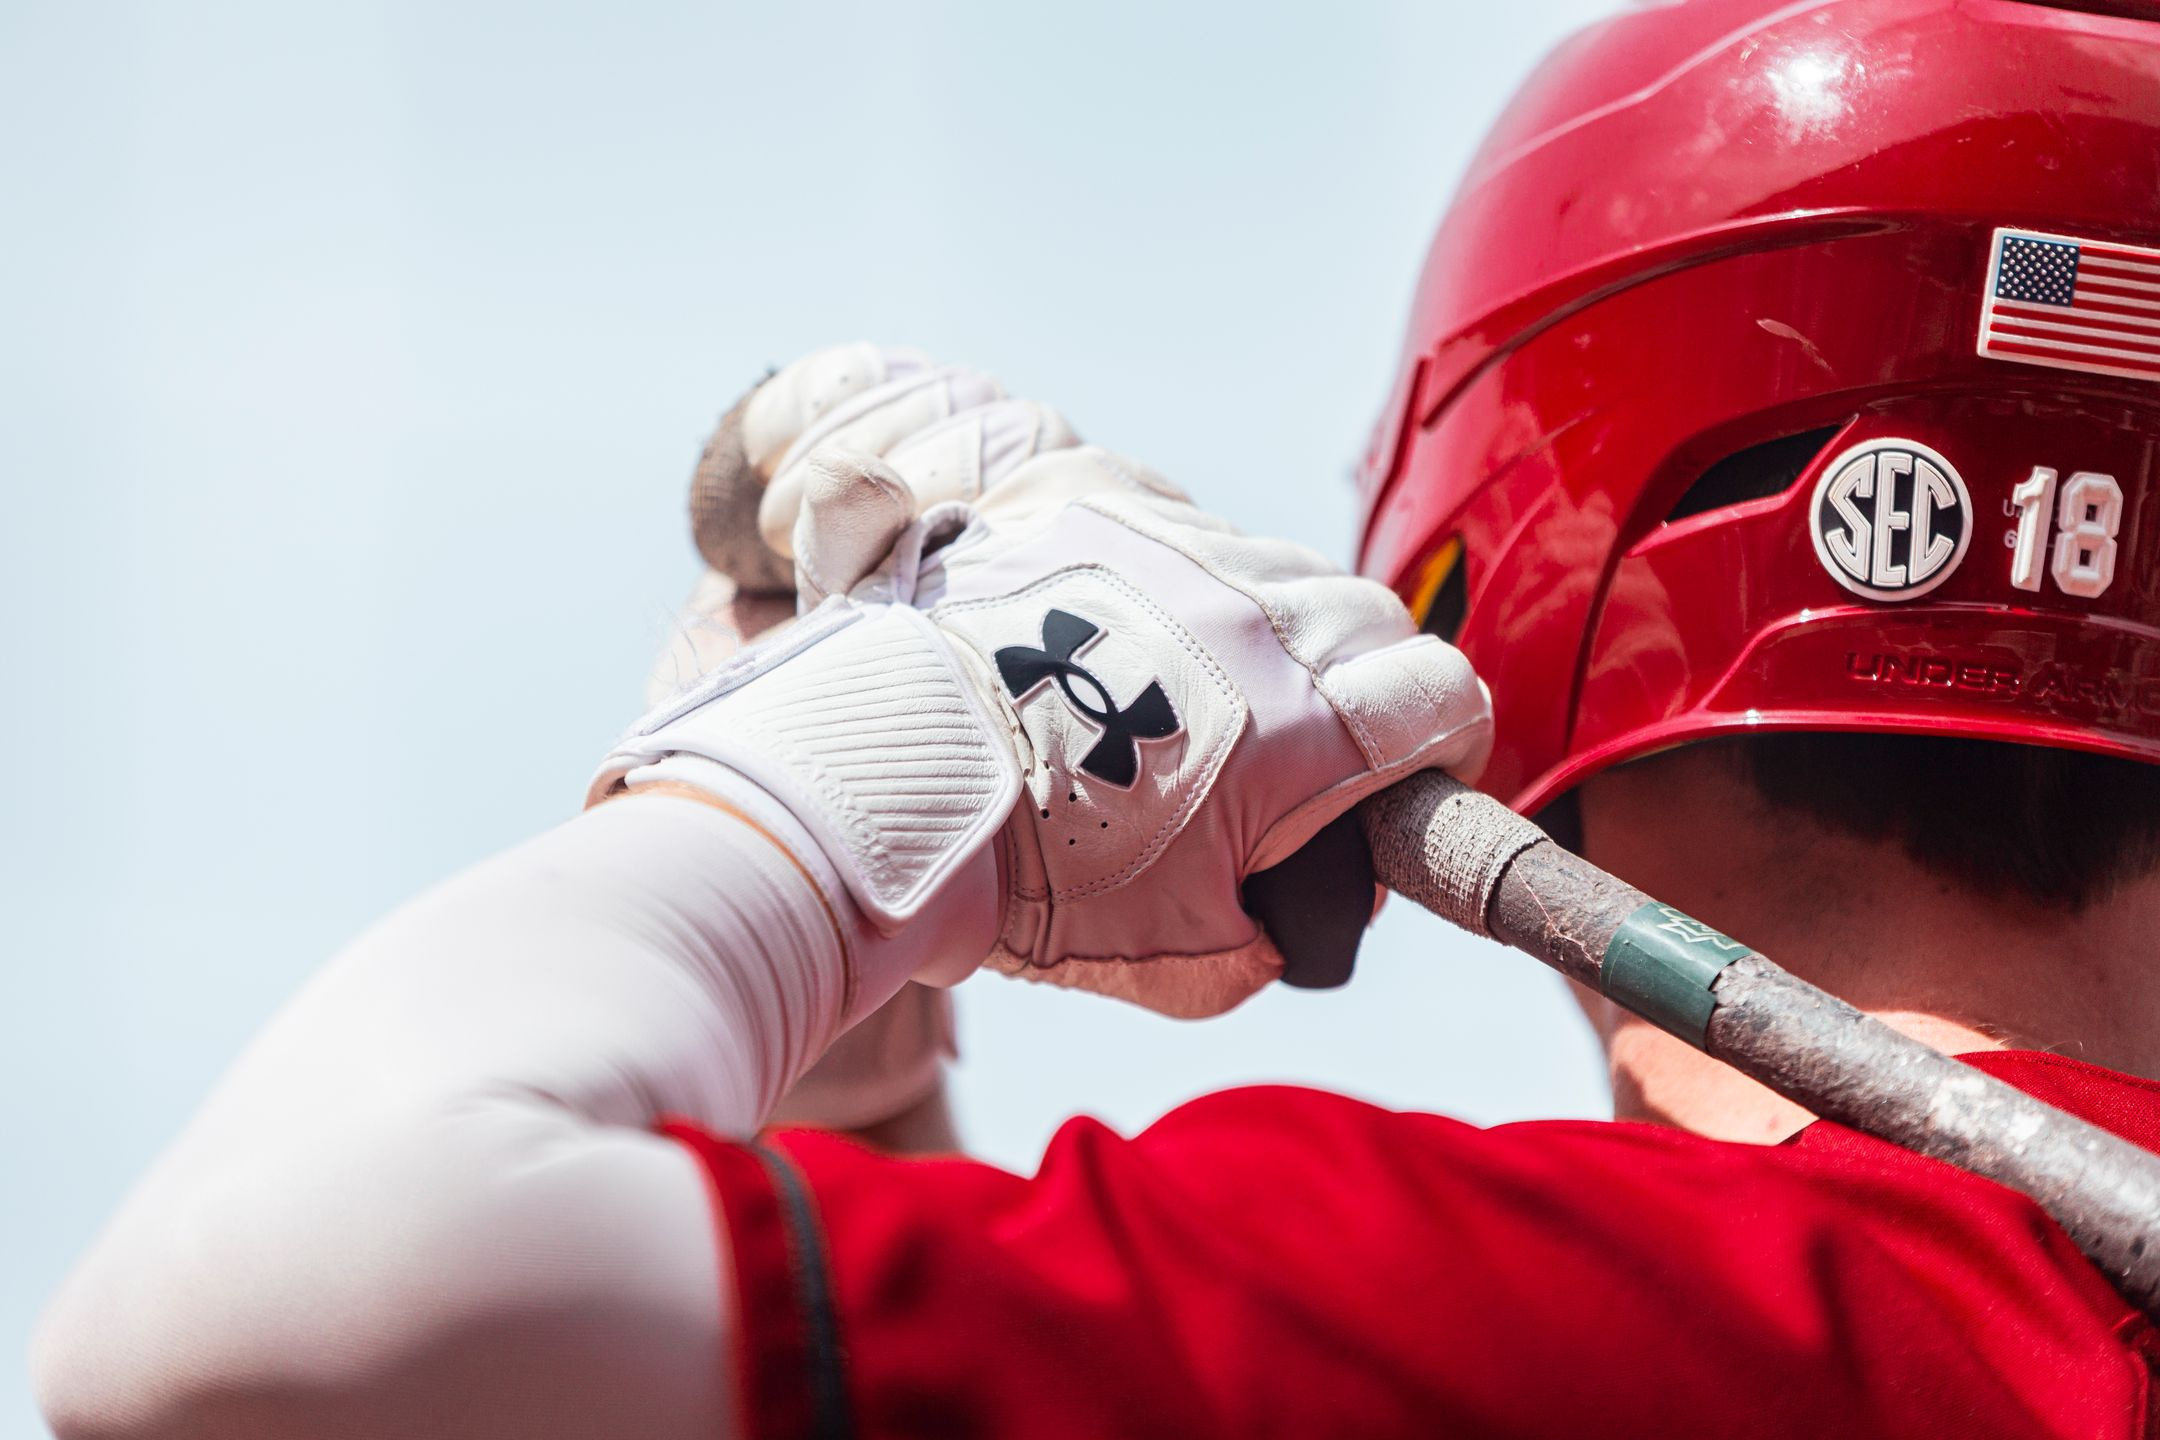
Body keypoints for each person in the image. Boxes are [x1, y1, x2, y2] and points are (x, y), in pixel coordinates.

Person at [33, 1, 2160, 1436]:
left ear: (1495, 598)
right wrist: (855, 1122)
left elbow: (242, 1310)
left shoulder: (1628, 1310)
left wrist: (849, 786)